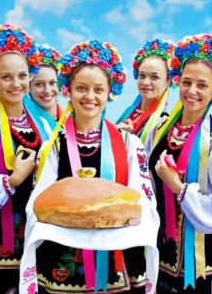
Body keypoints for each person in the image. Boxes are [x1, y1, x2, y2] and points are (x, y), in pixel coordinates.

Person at [20, 40, 160, 294]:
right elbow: (38, 203)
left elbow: (145, 203)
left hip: (118, 257)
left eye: (98, 89)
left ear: (110, 92)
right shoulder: (53, 145)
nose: (90, 97)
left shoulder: (130, 143)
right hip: (63, 263)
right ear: (69, 90)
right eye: (81, 88)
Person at [147, 33, 212, 293]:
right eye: (186, 82)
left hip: (205, 263)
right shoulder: (159, 130)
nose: (192, 91)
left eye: (202, 85)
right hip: (162, 256)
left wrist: (178, 187)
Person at [0, 23, 48, 293]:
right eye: (6, 77)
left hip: (38, 242)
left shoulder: (44, 125)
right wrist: (14, 179)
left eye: (22, 75)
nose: (16, 84)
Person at [116, 39, 174, 143]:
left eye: (154, 77)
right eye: (142, 76)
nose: (146, 82)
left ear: (168, 81)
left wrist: (130, 139)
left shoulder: (164, 124)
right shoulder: (129, 112)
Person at [28, 44, 64, 128]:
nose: (47, 90)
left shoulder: (71, 122)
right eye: (39, 84)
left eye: (52, 83)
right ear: (29, 87)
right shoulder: (23, 126)